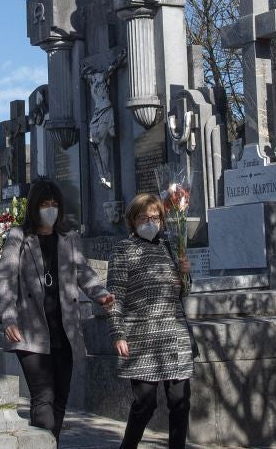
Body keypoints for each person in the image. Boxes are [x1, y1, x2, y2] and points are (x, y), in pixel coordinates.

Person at [0, 179, 116, 442]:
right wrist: (9, 318)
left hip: (64, 331)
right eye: (44, 204)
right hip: (30, 330)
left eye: (54, 204)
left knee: (60, 398)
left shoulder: (68, 239)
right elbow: (6, 278)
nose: (50, 209)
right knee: (43, 398)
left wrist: (101, 294)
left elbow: (83, 272)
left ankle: (50, 444)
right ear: (34, 207)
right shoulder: (19, 237)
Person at [105, 192, 193, 449]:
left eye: (155, 218)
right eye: (144, 218)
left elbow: (183, 292)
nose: (150, 222)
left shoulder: (169, 247)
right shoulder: (123, 250)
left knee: (180, 401)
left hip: (174, 337)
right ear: (133, 221)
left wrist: (186, 275)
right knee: (145, 403)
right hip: (142, 339)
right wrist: (117, 333)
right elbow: (114, 296)